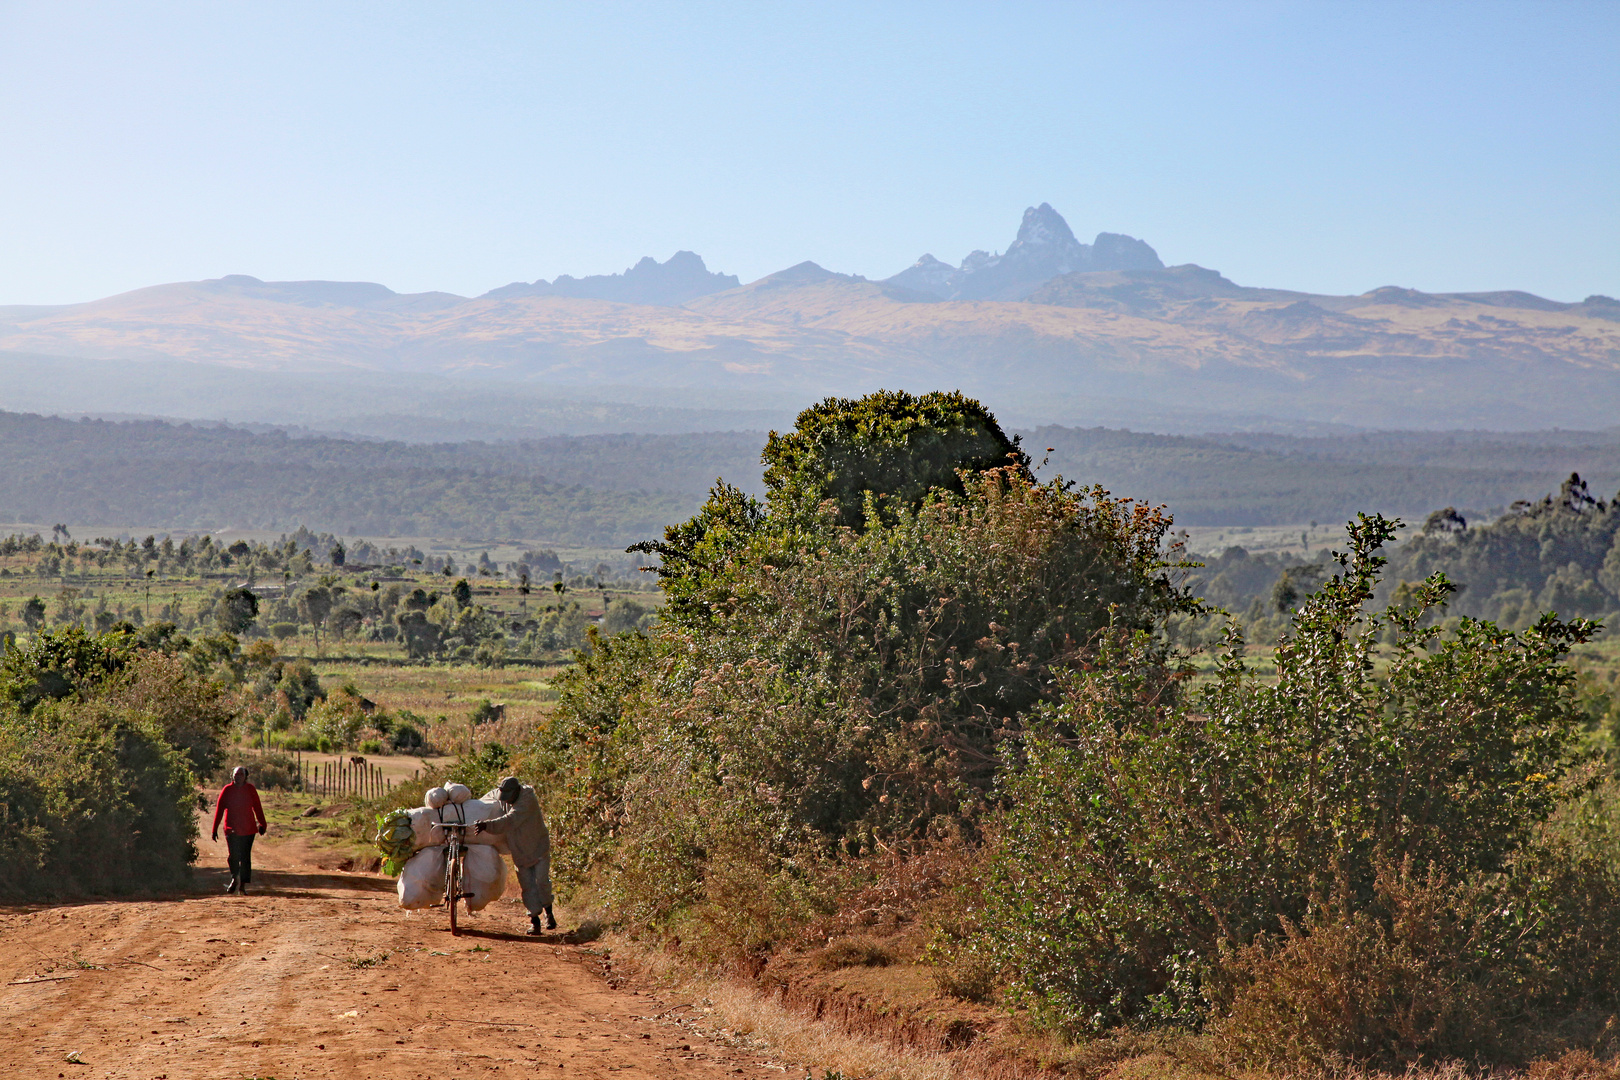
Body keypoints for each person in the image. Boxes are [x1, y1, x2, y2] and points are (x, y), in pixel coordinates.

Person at [475, 775, 556, 933]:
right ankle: (534, 922)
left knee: (541, 882)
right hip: (519, 851)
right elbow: (486, 800)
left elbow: (510, 820)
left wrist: (487, 825)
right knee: (527, 887)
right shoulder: (505, 797)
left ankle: (549, 912)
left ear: (516, 792)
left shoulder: (527, 800)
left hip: (538, 848)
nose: (505, 801)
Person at [212, 766, 267, 894]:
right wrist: (214, 829)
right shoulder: (227, 790)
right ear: (232, 776)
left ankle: (242, 885)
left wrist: (262, 824)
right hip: (232, 829)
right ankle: (234, 878)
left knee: (245, 857)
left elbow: (257, 807)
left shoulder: (250, 789)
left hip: (248, 829)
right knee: (233, 856)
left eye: (241, 774)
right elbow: (219, 810)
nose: (238, 777)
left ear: (245, 776)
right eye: (236, 774)